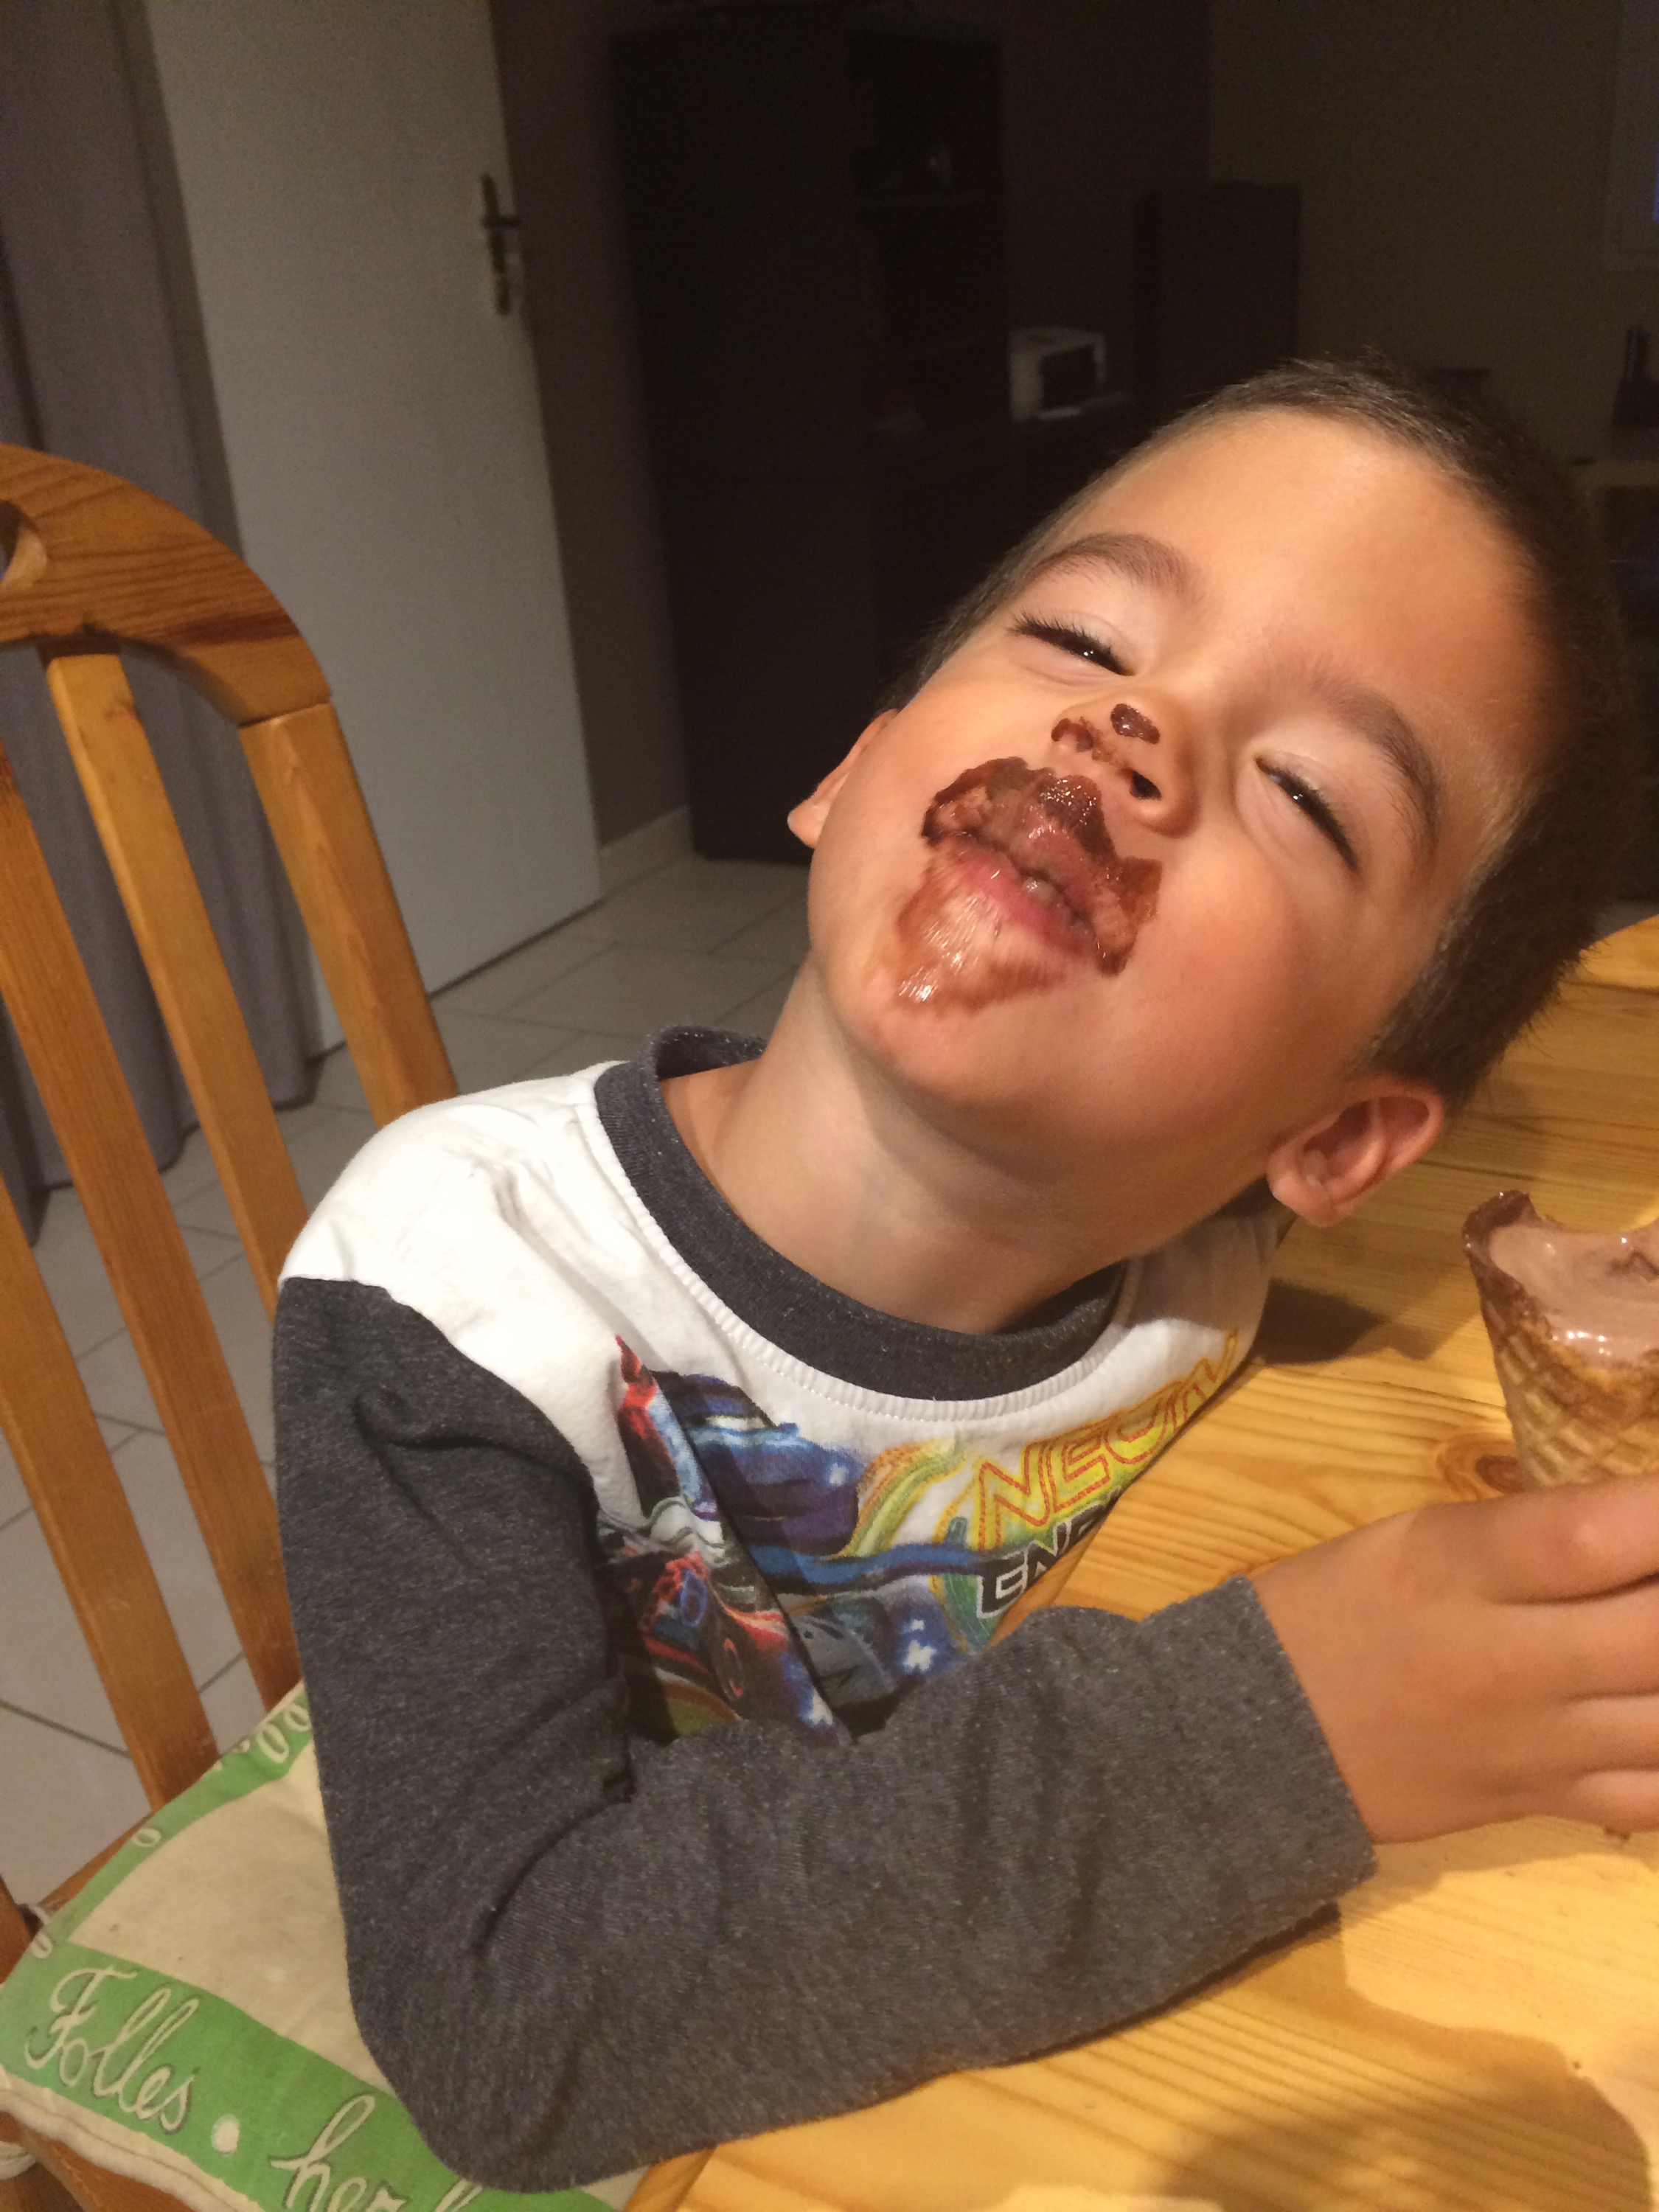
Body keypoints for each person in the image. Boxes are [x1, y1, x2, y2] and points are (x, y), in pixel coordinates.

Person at [275, 356, 1657, 2192]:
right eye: (1084, 638)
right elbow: (506, 2020)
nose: (1135, 726)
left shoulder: (1199, 1265)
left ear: (1332, 1142)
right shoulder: (455, 1286)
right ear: (855, 765)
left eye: (1306, 793)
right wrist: (1293, 1726)